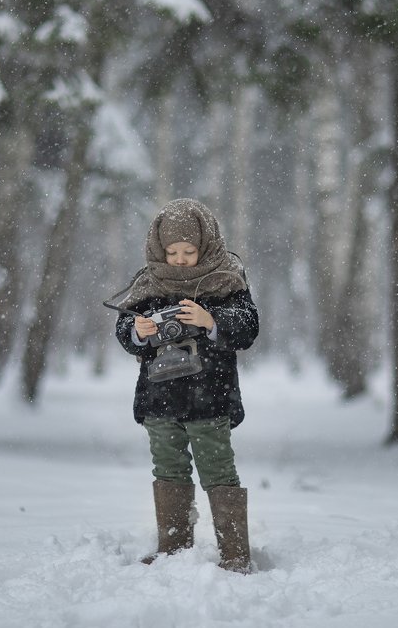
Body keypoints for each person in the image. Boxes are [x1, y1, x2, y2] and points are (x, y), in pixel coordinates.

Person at [112, 198, 259, 573]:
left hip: (210, 397)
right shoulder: (147, 282)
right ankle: (173, 549)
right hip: (159, 398)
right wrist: (139, 331)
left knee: (219, 470)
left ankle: (235, 555)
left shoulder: (226, 279)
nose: (179, 259)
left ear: (206, 245)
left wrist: (211, 320)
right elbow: (124, 332)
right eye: (172, 251)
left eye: (189, 251)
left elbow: (248, 328)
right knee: (168, 469)